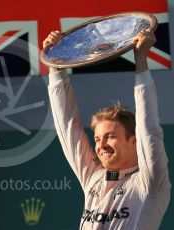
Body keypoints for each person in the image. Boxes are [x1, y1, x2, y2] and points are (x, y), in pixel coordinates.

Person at [44, 29, 171, 229]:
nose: (101, 145)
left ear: (134, 140)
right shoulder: (94, 177)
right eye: (97, 139)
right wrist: (56, 65)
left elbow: (150, 130)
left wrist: (141, 61)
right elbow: (68, 128)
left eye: (110, 136)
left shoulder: (150, 182)